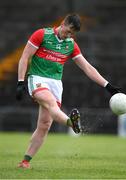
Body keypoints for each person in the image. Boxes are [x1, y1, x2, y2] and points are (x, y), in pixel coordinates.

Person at [16, 13, 120, 169]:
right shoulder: (42, 34)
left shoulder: (71, 44)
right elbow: (25, 57)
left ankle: (25, 162)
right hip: (37, 79)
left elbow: (87, 67)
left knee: (44, 125)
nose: (69, 35)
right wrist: (20, 81)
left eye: (73, 33)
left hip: (56, 84)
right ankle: (71, 123)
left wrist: (108, 86)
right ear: (63, 23)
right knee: (51, 104)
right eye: (69, 31)